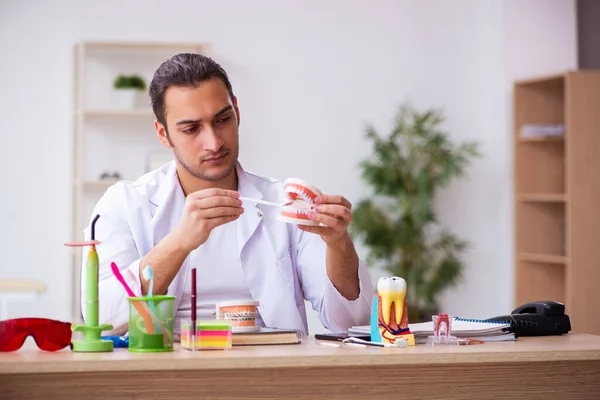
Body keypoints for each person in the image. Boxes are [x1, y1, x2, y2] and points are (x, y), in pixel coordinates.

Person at [81, 53, 373, 336]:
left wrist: (338, 244)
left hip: (271, 372)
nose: (214, 142)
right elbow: (104, 318)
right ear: (163, 134)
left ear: (237, 112)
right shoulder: (124, 204)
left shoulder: (282, 202)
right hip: (167, 374)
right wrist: (179, 243)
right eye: (191, 128)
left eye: (222, 120)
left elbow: (351, 323)